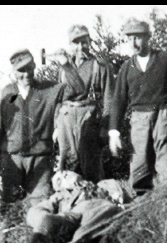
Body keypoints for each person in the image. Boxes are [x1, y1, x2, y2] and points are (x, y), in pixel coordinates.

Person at [0, 48, 84, 220]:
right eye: (21, 70)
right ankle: (7, 242)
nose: (26, 74)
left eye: (29, 68)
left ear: (34, 66)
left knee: (40, 206)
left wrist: (65, 64)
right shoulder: (7, 92)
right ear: (13, 72)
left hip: (40, 159)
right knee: (10, 207)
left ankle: (36, 241)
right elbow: (0, 125)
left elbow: (78, 88)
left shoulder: (49, 89)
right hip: (12, 159)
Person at [108, 19, 167, 195]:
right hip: (139, 119)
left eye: (138, 38)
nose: (133, 43)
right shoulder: (126, 67)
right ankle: (141, 207)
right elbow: (118, 100)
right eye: (129, 38)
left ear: (148, 37)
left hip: (164, 116)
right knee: (139, 166)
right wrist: (114, 132)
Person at [56, 24, 114, 182]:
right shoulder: (63, 67)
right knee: (66, 164)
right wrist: (56, 125)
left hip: (89, 117)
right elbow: (60, 98)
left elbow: (110, 99)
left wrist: (106, 127)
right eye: (76, 43)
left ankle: (95, 204)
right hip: (66, 118)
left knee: (91, 166)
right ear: (70, 45)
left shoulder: (100, 65)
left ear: (90, 42)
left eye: (84, 42)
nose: (80, 47)